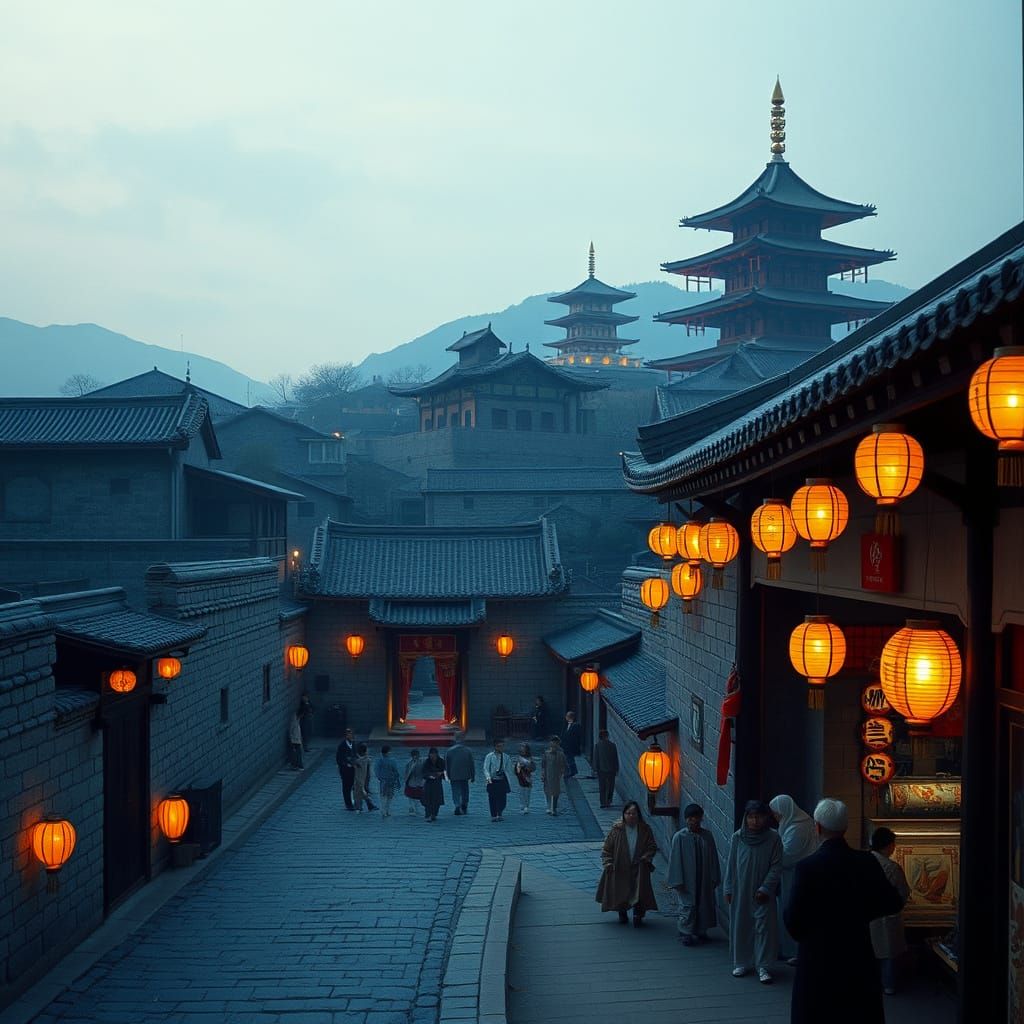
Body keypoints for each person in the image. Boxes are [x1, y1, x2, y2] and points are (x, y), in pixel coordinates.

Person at [785, 799, 905, 1023]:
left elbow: (793, 920)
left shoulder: (808, 868)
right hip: (857, 955)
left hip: (817, 959)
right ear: (845, 828)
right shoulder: (866, 862)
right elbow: (892, 902)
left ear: (818, 827)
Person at [724, 799, 783, 984]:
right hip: (741, 889)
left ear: (765, 818)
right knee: (742, 924)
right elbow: (731, 864)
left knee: (763, 927)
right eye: (751, 817)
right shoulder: (738, 837)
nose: (754, 821)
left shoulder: (773, 838)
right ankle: (741, 961)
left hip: (763, 892)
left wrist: (766, 887)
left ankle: (763, 965)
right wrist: (728, 887)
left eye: (758, 817)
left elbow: (776, 866)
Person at [768, 794, 818, 964]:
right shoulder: (796, 824)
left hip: (796, 875)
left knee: (792, 911)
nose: (776, 817)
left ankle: (793, 950)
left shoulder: (798, 829)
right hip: (793, 875)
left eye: (777, 814)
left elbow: (787, 856)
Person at [596, 800, 659, 927]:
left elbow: (651, 846)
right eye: (628, 813)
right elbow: (607, 848)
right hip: (621, 864)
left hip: (639, 865)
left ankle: (638, 914)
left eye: (633, 813)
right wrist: (608, 862)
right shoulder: (617, 830)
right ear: (624, 814)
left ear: (638, 815)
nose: (631, 816)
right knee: (621, 889)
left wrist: (646, 857)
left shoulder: (645, 829)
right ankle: (622, 911)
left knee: (639, 890)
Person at [667, 803, 720, 946]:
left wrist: (715, 876)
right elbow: (675, 859)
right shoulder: (680, 837)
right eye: (691, 819)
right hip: (687, 877)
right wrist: (677, 880)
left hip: (704, 876)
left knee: (703, 902)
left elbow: (713, 857)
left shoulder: (707, 836)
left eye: (697, 819)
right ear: (686, 819)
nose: (694, 822)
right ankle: (685, 931)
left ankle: (700, 930)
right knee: (688, 905)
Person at [869, 826, 911, 996]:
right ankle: (888, 984)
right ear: (889, 845)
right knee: (888, 954)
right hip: (887, 916)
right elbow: (903, 892)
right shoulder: (893, 868)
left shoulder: (864, 861)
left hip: (867, 917)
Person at [445, 733, 476, 815]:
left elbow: (447, 764)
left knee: (455, 791)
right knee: (465, 790)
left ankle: (457, 805)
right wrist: (473, 775)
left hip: (453, 774)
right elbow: (471, 764)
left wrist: (448, 775)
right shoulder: (467, 750)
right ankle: (464, 804)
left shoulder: (450, 751)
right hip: (465, 774)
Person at [483, 738, 512, 822]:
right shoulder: (489, 756)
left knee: (502, 798)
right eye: (499, 746)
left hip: (502, 780)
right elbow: (485, 768)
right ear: (495, 747)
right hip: (492, 780)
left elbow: (508, 769)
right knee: (492, 798)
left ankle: (500, 813)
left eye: (503, 746)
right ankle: (494, 815)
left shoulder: (506, 757)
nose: (501, 748)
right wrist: (488, 777)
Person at [591, 729, 619, 808]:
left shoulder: (597, 745)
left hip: (601, 769)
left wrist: (595, 769)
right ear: (607, 736)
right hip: (611, 769)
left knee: (602, 786)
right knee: (610, 786)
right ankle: (609, 801)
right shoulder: (612, 745)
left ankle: (603, 802)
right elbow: (615, 757)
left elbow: (596, 758)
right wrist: (616, 768)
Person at [541, 735, 567, 815]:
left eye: (556, 743)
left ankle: (554, 807)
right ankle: (549, 806)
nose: (554, 744)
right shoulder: (546, 753)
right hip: (548, 774)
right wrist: (543, 774)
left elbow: (564, 764)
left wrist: (562, 773)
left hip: (557, 775)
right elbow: (543, 764)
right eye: (552, 742)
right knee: (547, 791)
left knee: (556, 792)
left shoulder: (561, 754)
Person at [373, 745, 401, 818]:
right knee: (388, 796)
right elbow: (396, 771)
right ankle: (386, 811)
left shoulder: (380, 760)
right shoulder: (392, 761)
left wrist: (380, 778)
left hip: (385, 781)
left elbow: (376, 771)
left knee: (385, 796)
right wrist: (397, 779)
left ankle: (385, 811)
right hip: (389, 781)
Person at [421, 747, 446, 822]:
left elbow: (445, 771)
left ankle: (434, 814)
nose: (433, 756)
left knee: (437, 800)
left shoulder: (441, 761)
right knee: (428, 799)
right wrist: (429, 775)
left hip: (438, 783)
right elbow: (424, 772)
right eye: (432, 755)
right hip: (429, 783)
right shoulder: (427, 762)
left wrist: (441, 773)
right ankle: (428, 814)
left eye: (434, 755)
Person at [335, 728, 357, 810]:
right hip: (345, 769)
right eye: (348, 734)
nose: (350, 735)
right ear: (346, 735)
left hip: (353, 768)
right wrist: (345, 764)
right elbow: (339, 758)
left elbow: (355, 754)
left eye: (351, 734)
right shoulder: (342, 745)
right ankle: (348, 804)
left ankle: (353, 801)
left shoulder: (353, 744)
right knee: (346, 786)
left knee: (352, 785)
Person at [352, 743, 375, 812]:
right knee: (360, 792)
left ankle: (360, 806)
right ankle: (369, 804)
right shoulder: (368, 760)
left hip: (357, 779)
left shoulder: (357, 761)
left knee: (357, 793)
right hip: (364, 778)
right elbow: (368, 772)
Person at [513, 742, 535, 813]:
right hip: (520, 776)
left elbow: (533, 767)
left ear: (526, 749)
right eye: (521, 747)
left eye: (523, 747)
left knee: (527, 792)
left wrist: (527, 767)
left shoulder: (530, 758)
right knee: (521, 791)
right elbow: (516, 768)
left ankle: (526, 806)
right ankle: (522, 805)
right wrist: (517, 769)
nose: (522, 748)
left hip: (528, 776)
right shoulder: (518, 757)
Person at [561, 711, 581, 780]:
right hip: (566, 745)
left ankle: (572, 771)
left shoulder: (576, 725)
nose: (566, 717)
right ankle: (572, 771)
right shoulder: (567, 725)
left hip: (571, 745)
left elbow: (576, 737)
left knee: (570, 759)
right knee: (569, 758)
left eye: (567, 716)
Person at [403, 749, 424, 815]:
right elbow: (406, 773)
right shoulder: (409, 763)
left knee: (416, 797)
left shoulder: (421, 762)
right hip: (412, 782)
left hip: (417, 782)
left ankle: (415, 809)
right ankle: (413, 809)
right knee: (411, 797)